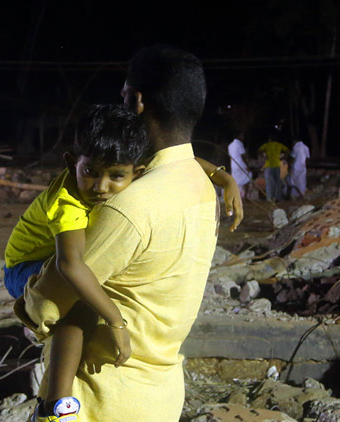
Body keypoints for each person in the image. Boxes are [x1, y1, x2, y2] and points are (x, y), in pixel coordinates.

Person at [24, 45, 241, 422]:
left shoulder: (130, 206)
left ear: (137, 101)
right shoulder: (203, 188)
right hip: (161, 397)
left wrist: (28, 288)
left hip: (102, 401)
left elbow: (49, 302)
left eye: (123, 96)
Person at [7, 104, 147, 421]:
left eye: (116, 176)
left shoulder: (126, 170)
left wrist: (219, 175)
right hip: (23, 267)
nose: (101, 186)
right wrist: (116, 321)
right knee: (80, 304)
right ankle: (55, 406)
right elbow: (70, 266)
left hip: (53, 257)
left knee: (89, 291)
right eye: (91, 172)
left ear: (136, 174)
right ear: (73, 164)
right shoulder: (67, 199)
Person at [258, 135, 289, 201]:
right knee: (277, 182)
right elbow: (287, 151)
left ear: (269, 139)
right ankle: (278, 197)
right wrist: (283, 158)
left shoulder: (267, 145)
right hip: (277, 164)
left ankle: (269, 198)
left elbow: (259, 150)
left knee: (269, 182)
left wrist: (264, 156)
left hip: (269, 164)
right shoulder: (279, 145)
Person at [227, 134, 251, 199]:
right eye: (242, 136)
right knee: (248, 177)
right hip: (240, 165)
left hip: (234, 165)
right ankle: (245, 197)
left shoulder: (230, 145)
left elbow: (230, 158)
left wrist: (231, 166)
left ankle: (236, 197)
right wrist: (247, 165)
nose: (243, 137)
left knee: (236, 181)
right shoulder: (239, 144)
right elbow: (243, 156)